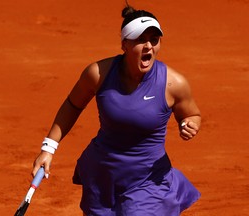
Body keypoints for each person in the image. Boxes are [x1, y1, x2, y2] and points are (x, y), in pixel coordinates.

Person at [32, 4, 201, 216]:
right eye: (140, 39)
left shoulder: (173, 84)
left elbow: (192, 114)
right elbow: (72, 105)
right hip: (103, 176)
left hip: (148, 180)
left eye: (154, 40)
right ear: (125, 44)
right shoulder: (98, 74)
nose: (148, 46)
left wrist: (190, 124)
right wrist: (48, 148)